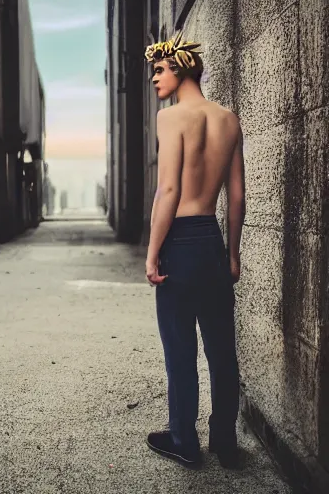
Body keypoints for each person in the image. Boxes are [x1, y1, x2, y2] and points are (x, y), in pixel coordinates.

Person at [144, 31, 246, 469]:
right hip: (212, 239)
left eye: (159, 70)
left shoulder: (171, 119)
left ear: (181, 68)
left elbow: (168, 189)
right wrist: (234, 253)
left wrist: (151, 254)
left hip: (180, 242)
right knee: (222, 348)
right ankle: (225, 441)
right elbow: (238, 196)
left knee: (180, 349)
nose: (154, 78)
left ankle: (184, 440)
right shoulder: (229, 119)